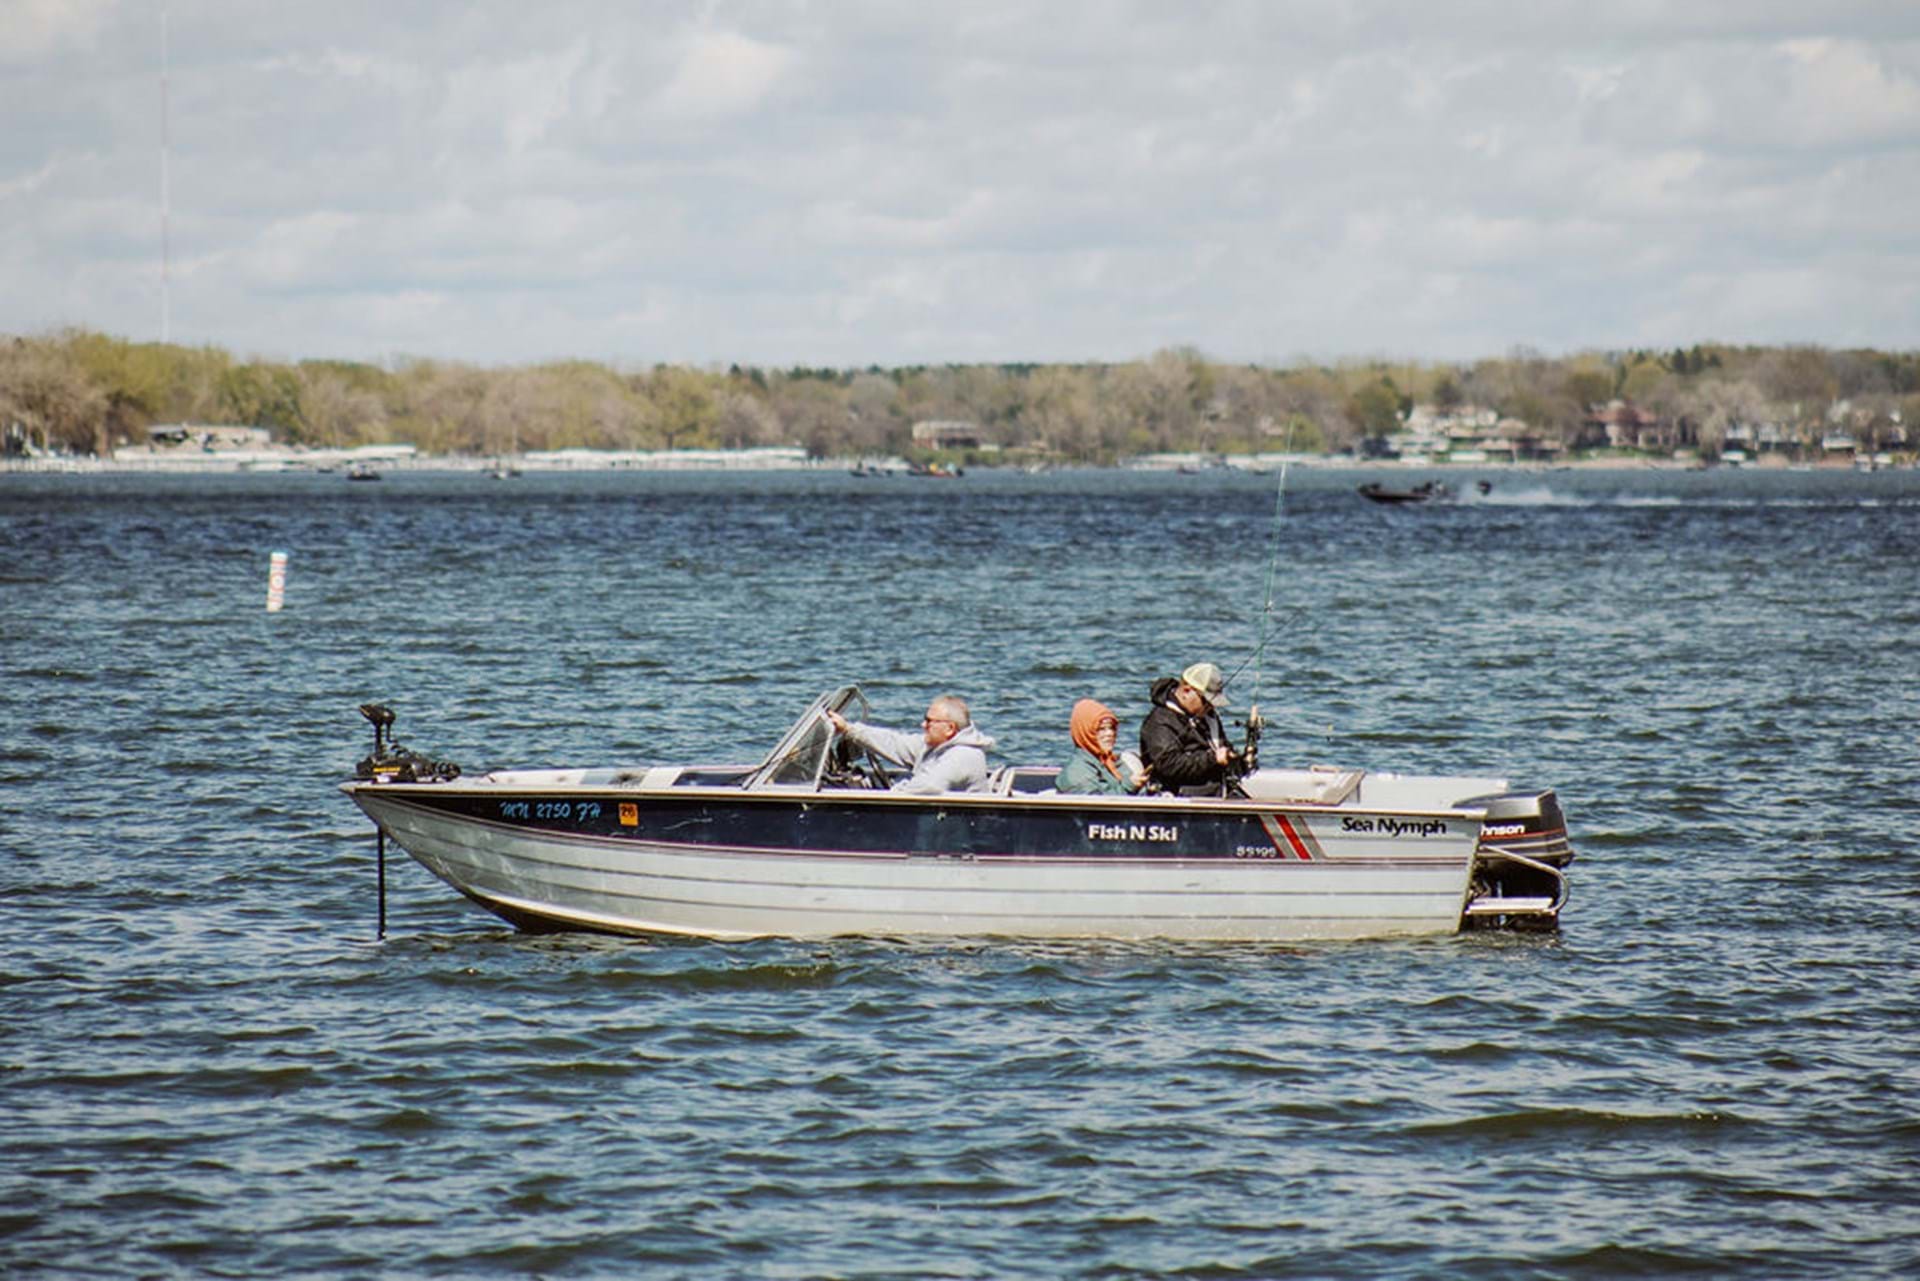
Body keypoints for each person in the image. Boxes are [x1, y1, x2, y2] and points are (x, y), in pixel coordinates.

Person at [825, 694, 995, 794]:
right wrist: (849, 729)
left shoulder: (962, 756)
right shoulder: (936, 746)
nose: (923, 725)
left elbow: (928, 786)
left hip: (957, 842)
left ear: (950, 729)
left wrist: (887, 794)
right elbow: (895, 743)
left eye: (929, 722)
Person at [1139, 661, 1247, 797]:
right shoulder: (1159, 721)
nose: (1210, 707)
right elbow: (1167, 764)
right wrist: (1212, 758)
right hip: (1177, 796)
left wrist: (1237, 760)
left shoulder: (1208, 717)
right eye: (1206, 702)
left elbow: (1222, 750)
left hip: (1216, 791)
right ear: (1186, 691)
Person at [1055, 698, 1148, 795]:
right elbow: (1097, 805)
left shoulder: (1109, 763)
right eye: (1101, 729)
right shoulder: (1077, 773)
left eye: (1111, 727)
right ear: (1085, 733)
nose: (1110, 733)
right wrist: (1129, 786)